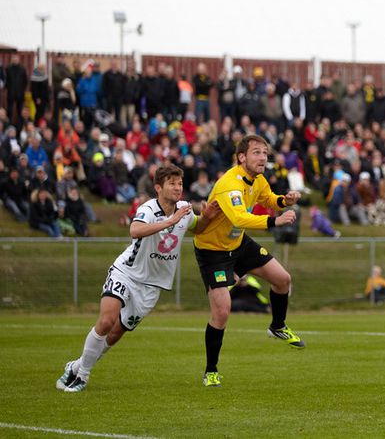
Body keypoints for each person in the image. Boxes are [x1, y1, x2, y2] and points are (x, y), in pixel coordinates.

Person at [55, 163, 220, 392]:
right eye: (172, 183)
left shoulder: (185, 209)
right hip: (127, 272)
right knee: (106, 321)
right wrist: (170, 221)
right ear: (158, 188)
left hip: (152, 286)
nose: (178, 187)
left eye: (180, 183)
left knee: (115, 333)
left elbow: (197, 227)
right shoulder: (148, 209)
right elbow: (135, 230)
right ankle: (83, 376)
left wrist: (207, 218)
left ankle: (76, 366)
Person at [193, 134, 305, 388]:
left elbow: (268, 198)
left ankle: (277, 326)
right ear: (241, 157)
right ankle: (211, 371)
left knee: (283, 280)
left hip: (238, 244)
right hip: (213, 251)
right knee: (222, 311)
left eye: (265, 153)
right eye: (256, 152)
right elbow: (239, 218)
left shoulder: (258, 179)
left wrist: (284, 201)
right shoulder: (229, 184)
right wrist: (275, 221)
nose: (263, 157)